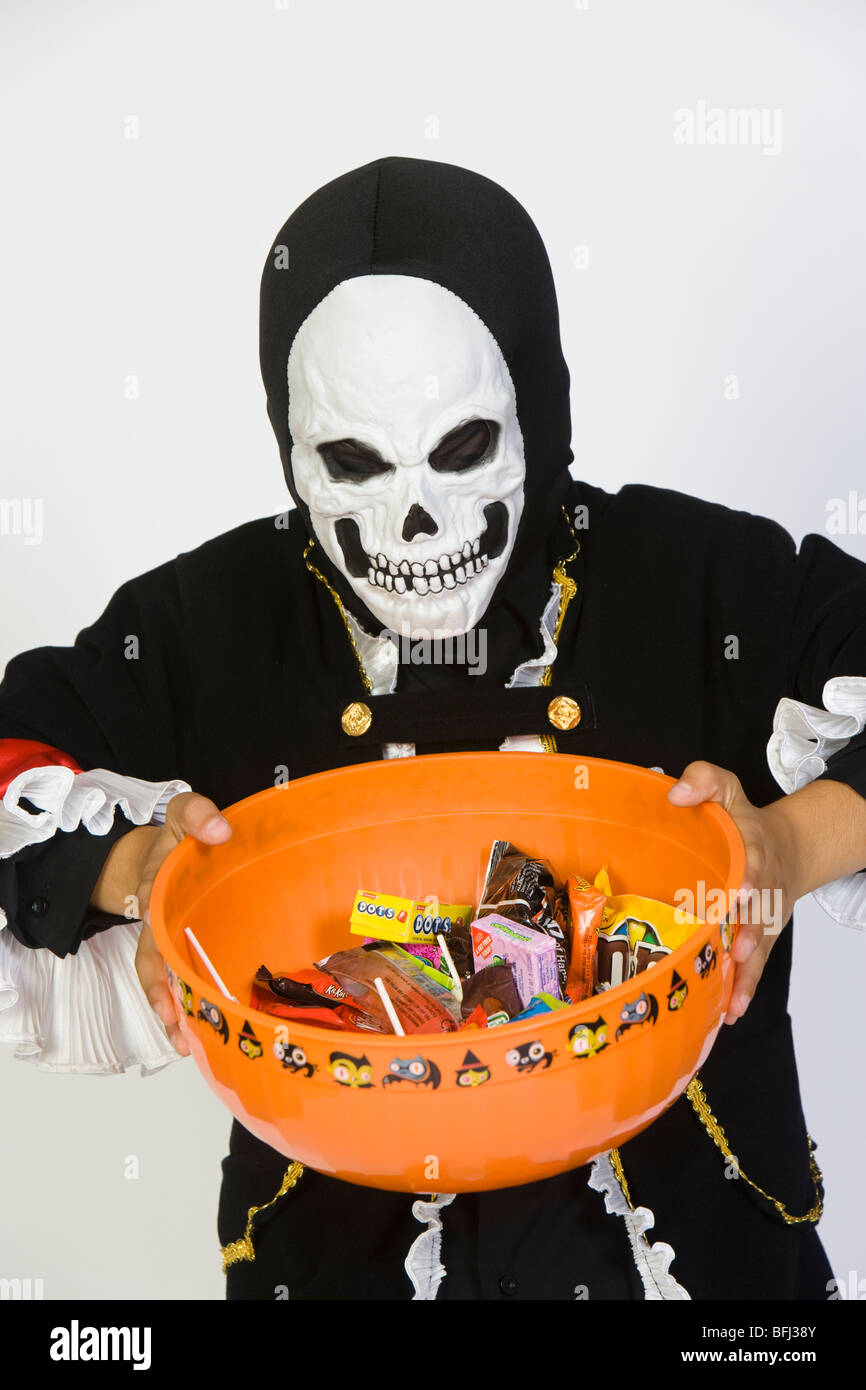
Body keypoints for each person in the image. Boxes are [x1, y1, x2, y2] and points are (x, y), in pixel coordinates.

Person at [1, 156, 865, 1300]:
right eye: (353, 463)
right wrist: (127, 868)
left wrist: (784, 848)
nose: (414, 515)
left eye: (462, 449)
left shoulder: (705, 579)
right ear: (292, 442)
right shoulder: (207, 619)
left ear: (535, 406)